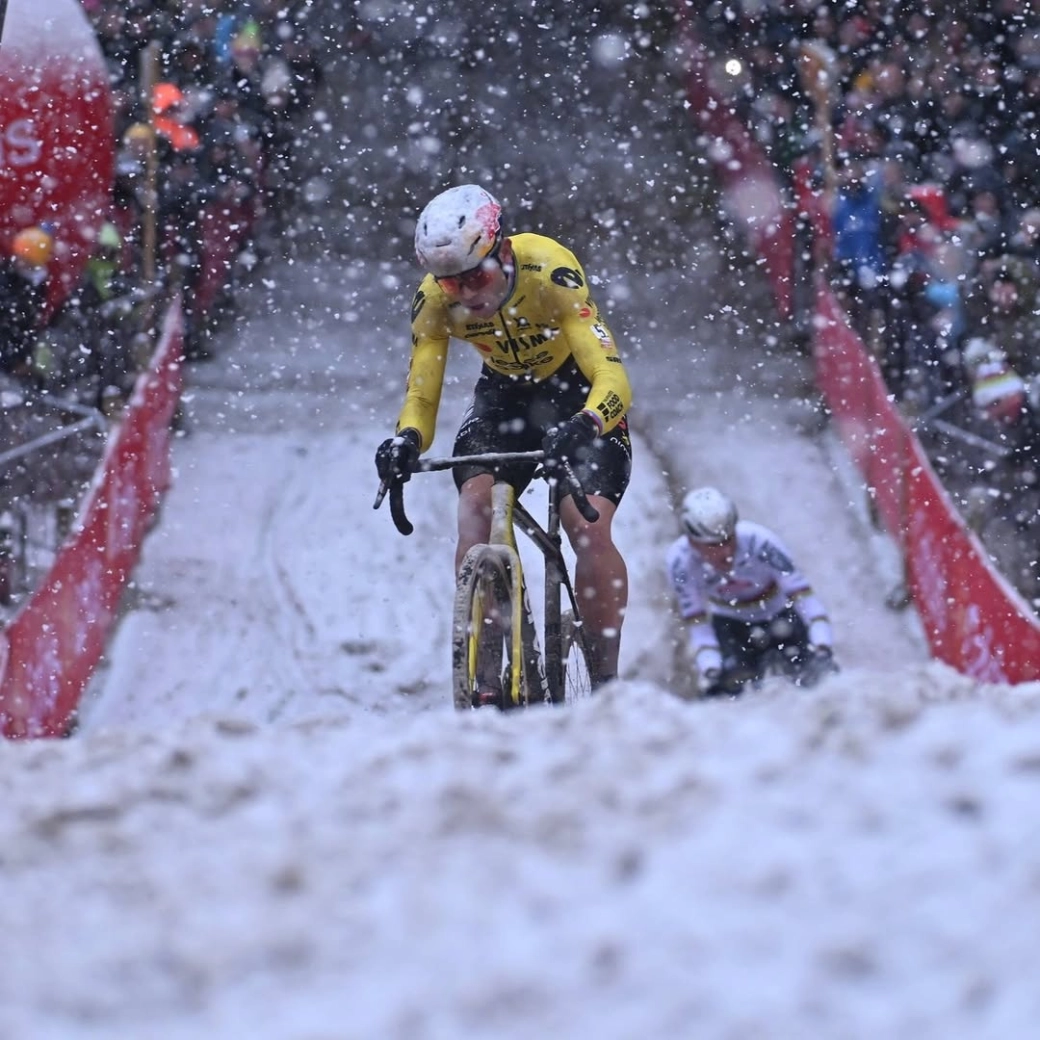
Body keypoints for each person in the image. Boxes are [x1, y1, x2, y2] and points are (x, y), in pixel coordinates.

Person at [375, 184, 633, 693]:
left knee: (586, 524)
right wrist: (405, 439)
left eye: (476, 276)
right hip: (504, 396)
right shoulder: (432, 299)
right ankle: (489, 667)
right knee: (475, 510)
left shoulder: (550, 269)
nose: (467, 295)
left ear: (505, 250)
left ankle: (606, 678)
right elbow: (422, 392)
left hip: (574, 394)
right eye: (452, 285)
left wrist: (586, 422)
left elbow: (612, 377)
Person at [666, 486, 838, 696]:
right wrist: (710, 668)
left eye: (729, 539)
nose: (726, 552)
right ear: (693, 542)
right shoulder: (679, 563)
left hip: (780, 612)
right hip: (730, 624)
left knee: (820, 676)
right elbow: (697, 622)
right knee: (724, 691)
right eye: (714, 545)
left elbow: (805, 598)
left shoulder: (761, 542)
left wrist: (822, 645)